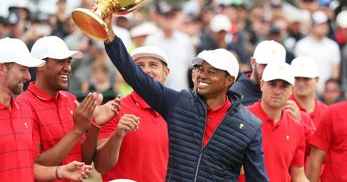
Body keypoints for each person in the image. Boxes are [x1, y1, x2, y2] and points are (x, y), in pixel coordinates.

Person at [103, 11, 269, 181]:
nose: (202, 75)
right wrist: (109, 35)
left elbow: (258, 178)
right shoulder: (178, 102)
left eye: (211, 72)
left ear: (229, 80)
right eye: (199, 69)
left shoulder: (249, 125)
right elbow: (133, 74)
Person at [16, 36, 121, 169]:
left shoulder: (70, 99)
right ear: (40, 65)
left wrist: (95, 125)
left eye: (69, 62)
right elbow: (36, 166)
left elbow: (85, 160)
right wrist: (78, 129)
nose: (67, 68)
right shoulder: (23, 105)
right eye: (61, 62)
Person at [0, 37, 92, 181]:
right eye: (23, 69)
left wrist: (59, 172)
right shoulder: (27, 105)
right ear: (1, 68)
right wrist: (78, 129)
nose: (28, 76)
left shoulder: (23, 110)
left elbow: (29, 167)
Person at [94, 46, 169, 182]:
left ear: (166, 72)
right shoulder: (115, 109)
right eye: (139, 66)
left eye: (153, 65)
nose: (146, 70)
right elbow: (101, 166)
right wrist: (117, 135)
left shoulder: (177, 112)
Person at [242, 62, 308, 182]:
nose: (277, 91)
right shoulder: (241, 118)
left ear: (291, 90)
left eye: (284, 86)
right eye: (272, 84)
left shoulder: (297, 128)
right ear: (262, 85)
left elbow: (298, 176)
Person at [294, 11, 341, 92]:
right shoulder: (301, 45)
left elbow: (335, 71)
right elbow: (299, 70)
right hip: (307, 89)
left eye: (325, 24)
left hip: (328, 92)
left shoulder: (333, 46)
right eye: (320, 24)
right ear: (311, 26)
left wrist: (329, 89)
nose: (324, 26)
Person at [231, 40, 286, 106]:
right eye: (265, 65)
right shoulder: (236, 96)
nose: (269, 70)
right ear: (253, 62)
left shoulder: (286, 93)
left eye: (275, 66)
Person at [290, 56, 328, 128]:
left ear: (317, 80)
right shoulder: (282, 107)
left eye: (306, 79)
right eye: (296, 78)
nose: (301, 83)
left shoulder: (326, 112)